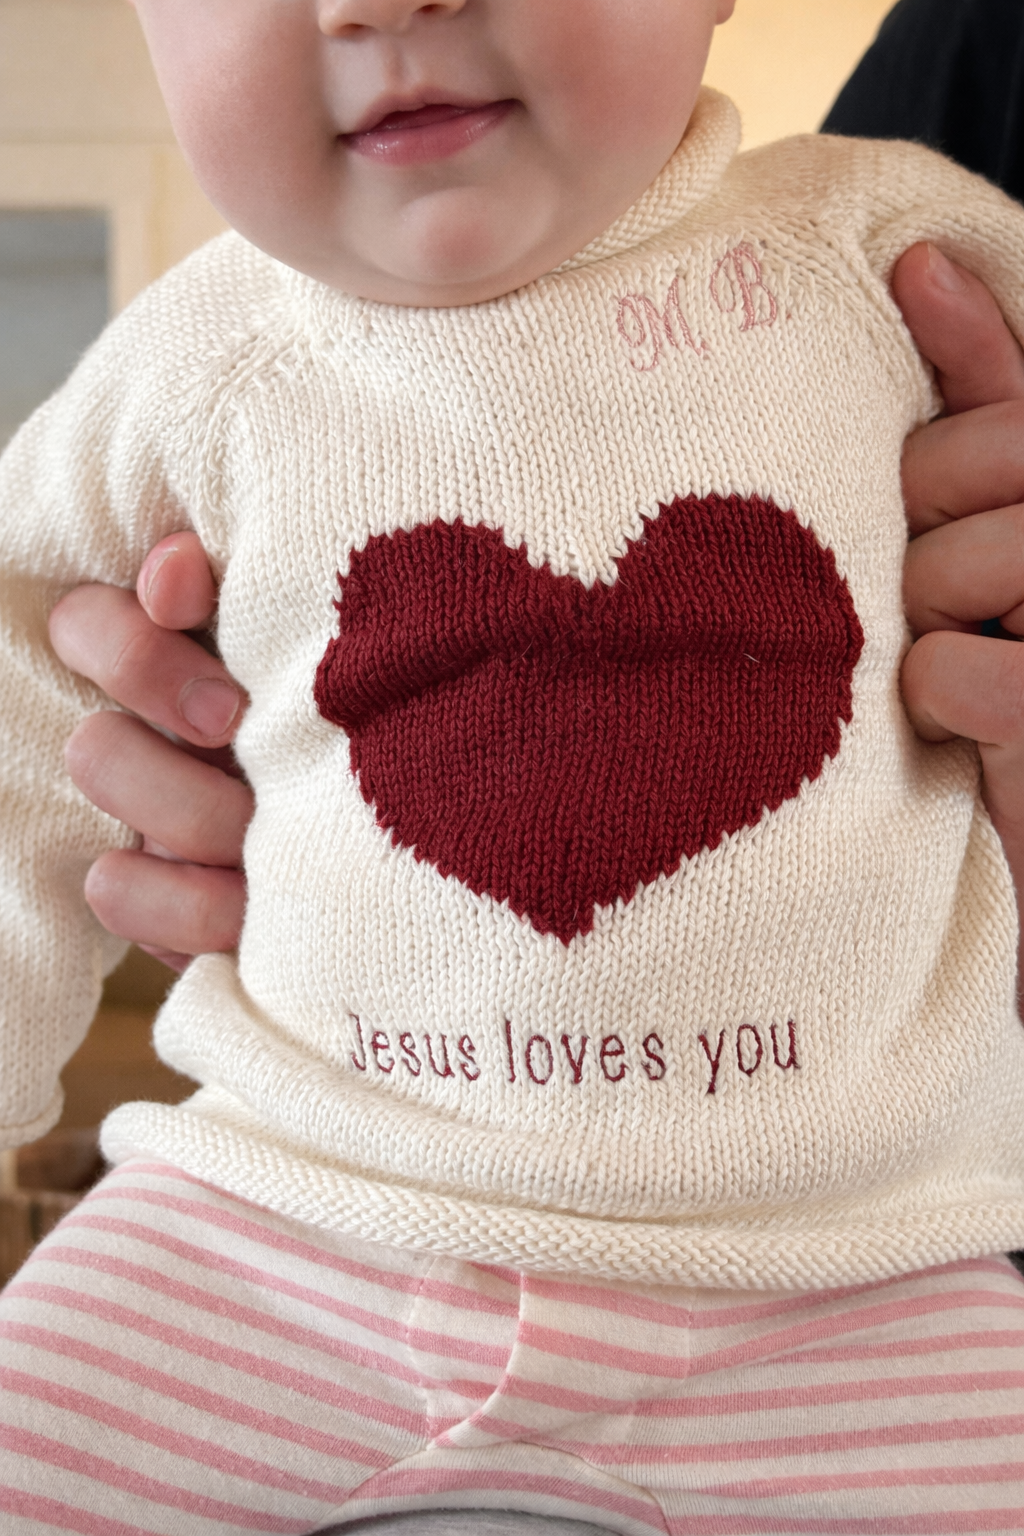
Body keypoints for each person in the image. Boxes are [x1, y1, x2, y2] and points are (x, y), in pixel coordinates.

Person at [5, 3, 1024, 1534]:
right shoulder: (196, 367)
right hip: (276, 1235)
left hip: (862, 1274)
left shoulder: (880, 242)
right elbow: (22, 699)